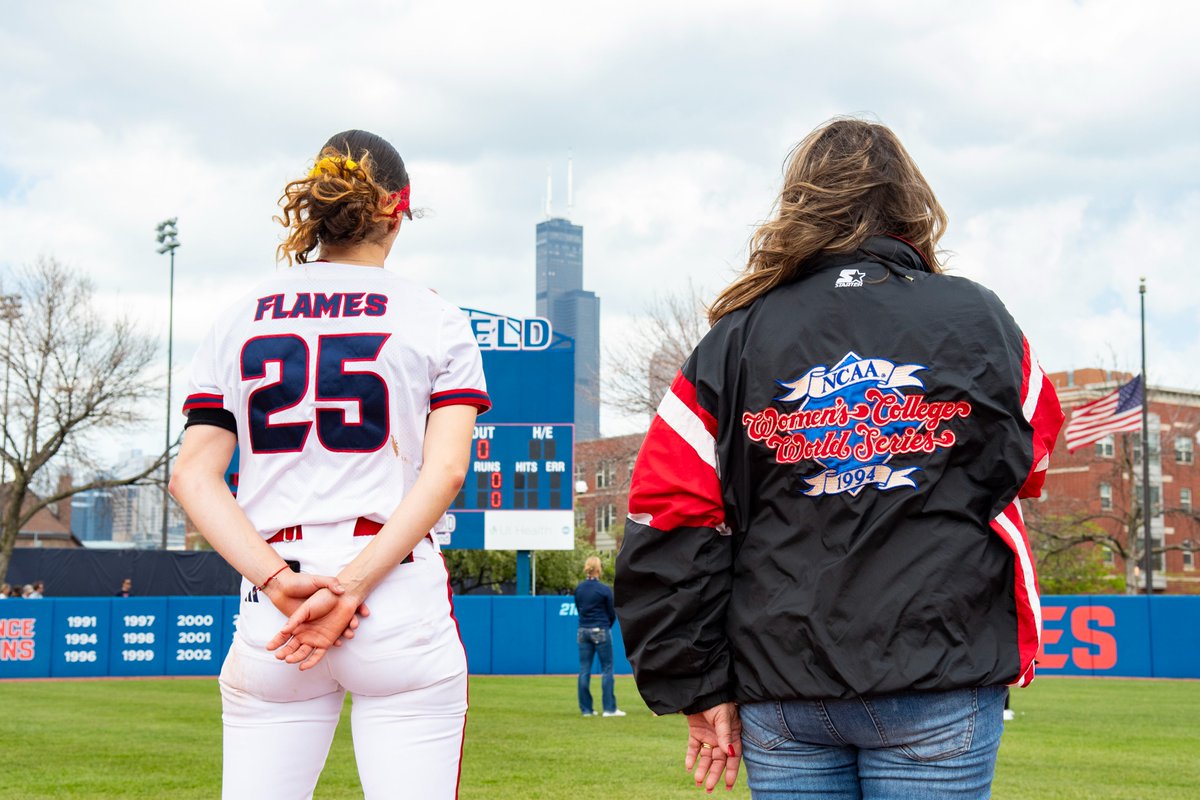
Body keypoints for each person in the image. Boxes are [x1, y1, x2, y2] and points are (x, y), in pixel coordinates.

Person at [614, 118, 1064, 798]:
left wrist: (697, 683)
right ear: (911, 204)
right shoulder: (979, 321)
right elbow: (1031, 463)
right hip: (938, 673)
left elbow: (669, 521)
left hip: (786, 688)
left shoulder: (735, 339)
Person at [169, 129, 489, 800]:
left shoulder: (239, 316)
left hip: (276, 603)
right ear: (399, 207)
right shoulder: (432, 315)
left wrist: (280, 581)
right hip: (391, 589)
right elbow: (447, 472)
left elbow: (193, 477)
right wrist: (350, 586)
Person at [574, 556, 624, 718]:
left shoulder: (579, 588)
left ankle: (586, 710)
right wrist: (605, 627)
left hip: (583, 630)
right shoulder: (603, 589)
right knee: (607, 669)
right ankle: (609, 709)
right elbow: (611, 612)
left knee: (584, 670)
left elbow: (578, 607)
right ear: (598, 569)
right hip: (600, 629)